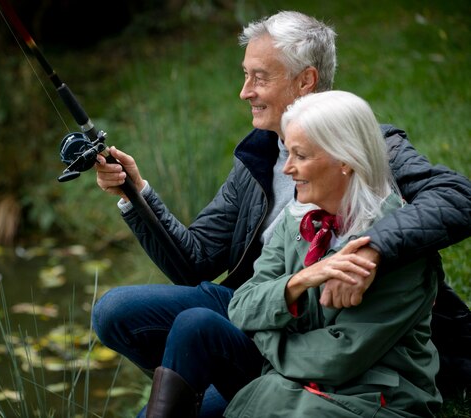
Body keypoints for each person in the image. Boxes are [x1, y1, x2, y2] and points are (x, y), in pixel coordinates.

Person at [91, 11, 471, 417]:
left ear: (305, 80)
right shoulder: (259, 153)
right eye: (245, 75)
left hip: (343, 330)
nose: (245, 92)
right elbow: (194, 262)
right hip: (265, 305)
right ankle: (211, 374)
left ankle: (229, 380)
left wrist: (370, 248)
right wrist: (137, 195)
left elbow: (457, 197)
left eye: (259, 77)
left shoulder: (367, 148)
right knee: (115, 311)